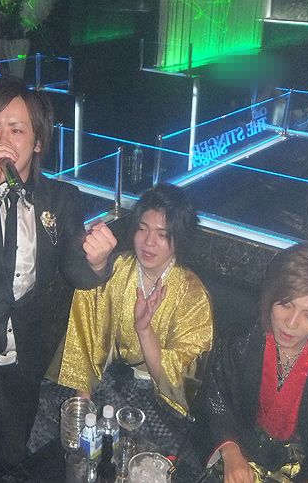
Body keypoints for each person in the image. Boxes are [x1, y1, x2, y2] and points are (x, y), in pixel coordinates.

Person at [0, 75, 117, 482]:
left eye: (16, 130)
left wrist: (100, 261)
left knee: (13, 467)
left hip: (21, 363)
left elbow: (76, 271)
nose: (2, 140)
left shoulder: (61, 199)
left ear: (38, 142)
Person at [196, 243, 308, 483]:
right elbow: (216, 401)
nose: (291, 323)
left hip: (307, 470)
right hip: (242, 454)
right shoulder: (237, 343)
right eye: (285, 304)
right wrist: (231, 452)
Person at [57, 185, 212, 440]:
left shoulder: (192, 294)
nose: (149, 242)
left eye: (162, 234)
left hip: (155, 397)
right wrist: (84, 409)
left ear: (180, 238)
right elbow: (85, 335)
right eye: (143, 228)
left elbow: (180, 380)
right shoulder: (114, 268)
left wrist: (144, 330)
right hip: (104, 382)